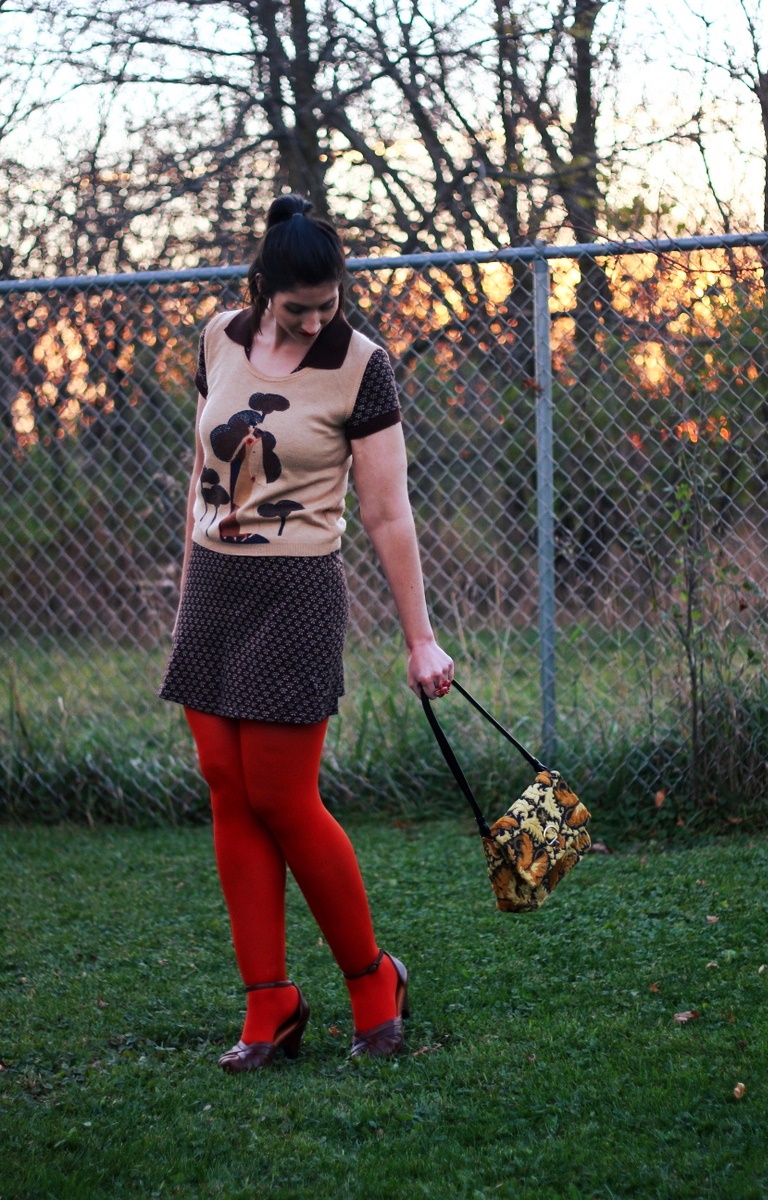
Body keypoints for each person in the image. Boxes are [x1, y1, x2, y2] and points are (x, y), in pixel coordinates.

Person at [159, 194, 453, 1072]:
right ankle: (270, 1006)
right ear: (263, 289)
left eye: (329, 303)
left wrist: (420, 638)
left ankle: (373, 983)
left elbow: (386, 510)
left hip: (295, 593)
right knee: (225, 785)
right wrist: (186, 593)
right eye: (299, 307)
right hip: (213, 587)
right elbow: (200, 474)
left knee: (284, 797)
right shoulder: (217, 338)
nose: (318, 318)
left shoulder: (364, 364)